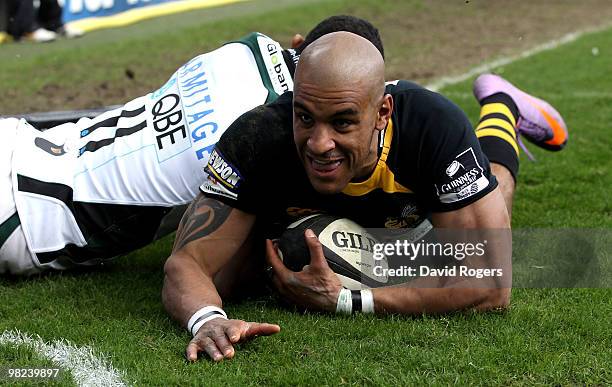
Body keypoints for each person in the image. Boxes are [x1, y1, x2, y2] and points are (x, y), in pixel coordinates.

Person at [161, 32, 568, 362]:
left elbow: (492, 286)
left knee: (497, 200)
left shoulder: (432, 127)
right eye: (305, 117)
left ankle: (501, 107)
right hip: (336, 223)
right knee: (230, 278)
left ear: (383, 113)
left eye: (342, 122)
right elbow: (187, 264)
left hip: (418, 221)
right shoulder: (258, 137)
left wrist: (348, 301)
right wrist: (207, 320)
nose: (320, 143)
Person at [0, 15, 386, 275]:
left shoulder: (245, 48)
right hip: (29, 217)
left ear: (299, 43)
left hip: (23, 139)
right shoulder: (273, 129)